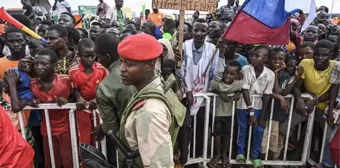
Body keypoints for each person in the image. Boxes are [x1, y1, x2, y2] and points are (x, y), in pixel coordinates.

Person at [117, 33, 185, 167]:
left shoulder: (149, 112)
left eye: (129, 64)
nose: (122, 69)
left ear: (150, 65)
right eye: (122, 62)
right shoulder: (156, 84)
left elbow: (159, 164)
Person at [294, 40, 337, 168]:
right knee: (286, 129)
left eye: (324, 55)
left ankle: (324, 163)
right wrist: (299, 99)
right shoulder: (306, 63)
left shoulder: (336, 66)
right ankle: (298, 157)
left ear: (332, 55)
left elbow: (334, 92)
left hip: (323, 108)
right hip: (305, 105)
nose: (320, 58)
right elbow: (297, 86)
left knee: (328, 138)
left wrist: (316, 101)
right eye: (317, 54)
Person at [94, 33, 135, 165]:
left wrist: (101, 128)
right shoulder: (140, 68)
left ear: (107, 57)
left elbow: (110, 126)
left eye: (98, 57)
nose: (97, 61)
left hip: (126, 141)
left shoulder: (106, 86)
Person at [29, 48, 73, 168]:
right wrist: (32, 101)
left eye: (44, 64)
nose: (39, 67)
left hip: (66, 129)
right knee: (52, 161)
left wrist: (67, 101)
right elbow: (28, 99)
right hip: (46, 129)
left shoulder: (65, 80)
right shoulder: (33, 84)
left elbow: (75, 97)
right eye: (36, 63)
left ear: (54, 65)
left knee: (69, 160)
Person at [183, 18, 219, 158]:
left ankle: (198, 158)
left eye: (202, 30)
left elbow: (215, 74)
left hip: (204, 97)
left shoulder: (212, 49)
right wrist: (188, 90)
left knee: (201, 130)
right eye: (196, 30)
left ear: (207, 32)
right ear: (191, 31)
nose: (199, 33)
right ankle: (185, 158)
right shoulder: (184, 46)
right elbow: (182, 71)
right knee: (186, 129)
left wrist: (220, 54)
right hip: (186, 97)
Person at [236, 46, 274, 168]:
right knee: (242, 129)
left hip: (259, 104)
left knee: (259, 130)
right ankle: (240, 153)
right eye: (252, 55)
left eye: (257, 56)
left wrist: (262, 115)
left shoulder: (270, 74)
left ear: (266, 59)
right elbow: (245, 89)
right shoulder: (246, 69)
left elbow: (267, 95)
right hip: (244, 103)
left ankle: (255, 156)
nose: (253, 58)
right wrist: (251, 111)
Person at [69, 39, 108, 145]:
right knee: (84, 137)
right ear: (79, 54)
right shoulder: (73, 71)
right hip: (83, 109)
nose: (90, 59)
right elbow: (74, 88)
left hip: (99, 108)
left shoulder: (102, 70)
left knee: (98, 138)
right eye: (87, 56)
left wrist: (97, 99)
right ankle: (85, 161)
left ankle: (99, 159)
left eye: (93, 56)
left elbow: (105, 88)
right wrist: (79, 97)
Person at [261, 48, 295, 161]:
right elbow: (264, 91)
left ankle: (272, 159)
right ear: (269, 60)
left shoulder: (284, 75)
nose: (277, 61)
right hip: (264, 109)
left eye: (280, 59)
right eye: (274, 58)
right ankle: (261, 158)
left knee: (275, 136)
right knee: (263, 135)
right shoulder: (263, 71)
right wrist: (279, 97)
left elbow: (278, 91)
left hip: (276, 111)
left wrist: (275, 74)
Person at [209, 60, 243, 168]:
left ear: (238, 75)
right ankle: (218, 153)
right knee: (217, 133)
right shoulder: (216, 83)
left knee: (227, 134)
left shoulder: (238, 84)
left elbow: (242, 90)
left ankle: (225, 154)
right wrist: (220, 93)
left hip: (230, 113)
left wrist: (238, 93)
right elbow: (211, 89)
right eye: (226, 73)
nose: (228, 76)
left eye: (232, 74)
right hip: (217, 112)